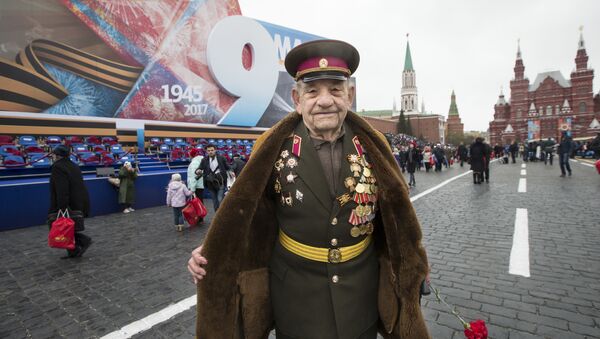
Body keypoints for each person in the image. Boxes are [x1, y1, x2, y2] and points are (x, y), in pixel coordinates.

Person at [187, 39, 430, 338]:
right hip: (295, 296)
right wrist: (214, 249)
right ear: (296, 98)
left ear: (349, 95)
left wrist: (412, 264)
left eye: (336, 89)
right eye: (313, 91)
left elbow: (397, 218)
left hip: (361, 293)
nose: (325, 100)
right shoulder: (270, 148)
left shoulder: (374, 146)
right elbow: (243, 212)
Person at [48, 145, 92, 258]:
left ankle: (83, 240)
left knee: (62, 226)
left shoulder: (57, 167)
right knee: (69, 227)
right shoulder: (74, 165)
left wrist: (62, 206)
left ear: (57, 155)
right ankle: (73, 251)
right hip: (79, 200)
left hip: (68, 202)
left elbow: (61, 188)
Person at [199, 144, 229, 212]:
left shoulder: (222, 158)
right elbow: (200, 167)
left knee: (220, 199)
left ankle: (221, 215)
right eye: (208, 150)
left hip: (220, 181)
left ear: (215, 150)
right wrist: (198, 170)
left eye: (212, 150)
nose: (210, 152)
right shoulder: (204, 160)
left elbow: (228, 167)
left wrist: (231, 171)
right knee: (215, 201)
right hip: (210, 183)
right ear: (206, 151)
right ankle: (217, 216)